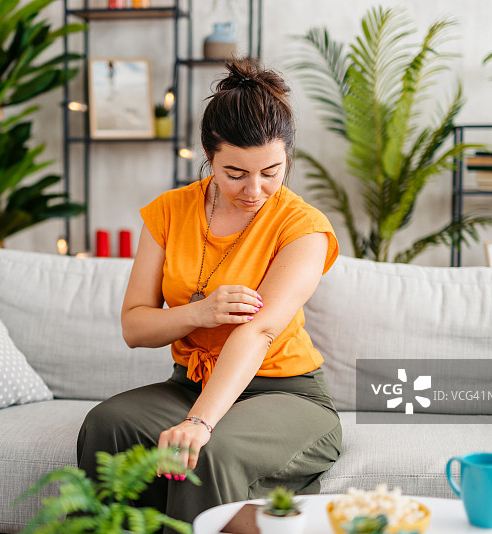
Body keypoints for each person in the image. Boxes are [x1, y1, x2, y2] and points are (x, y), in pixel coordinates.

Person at [77, 58, 342, 526]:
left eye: (271, 172)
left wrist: (199, 422)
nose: (254, 190)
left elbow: (258, 331)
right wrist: (199, 313)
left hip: (286, 393)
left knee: (205, 453)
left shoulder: (304, 227)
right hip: (190, 384)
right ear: (208, 154)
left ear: (287, 157)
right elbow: (135, 327)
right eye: (235, 173)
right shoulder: (169, 212)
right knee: (106, 424)